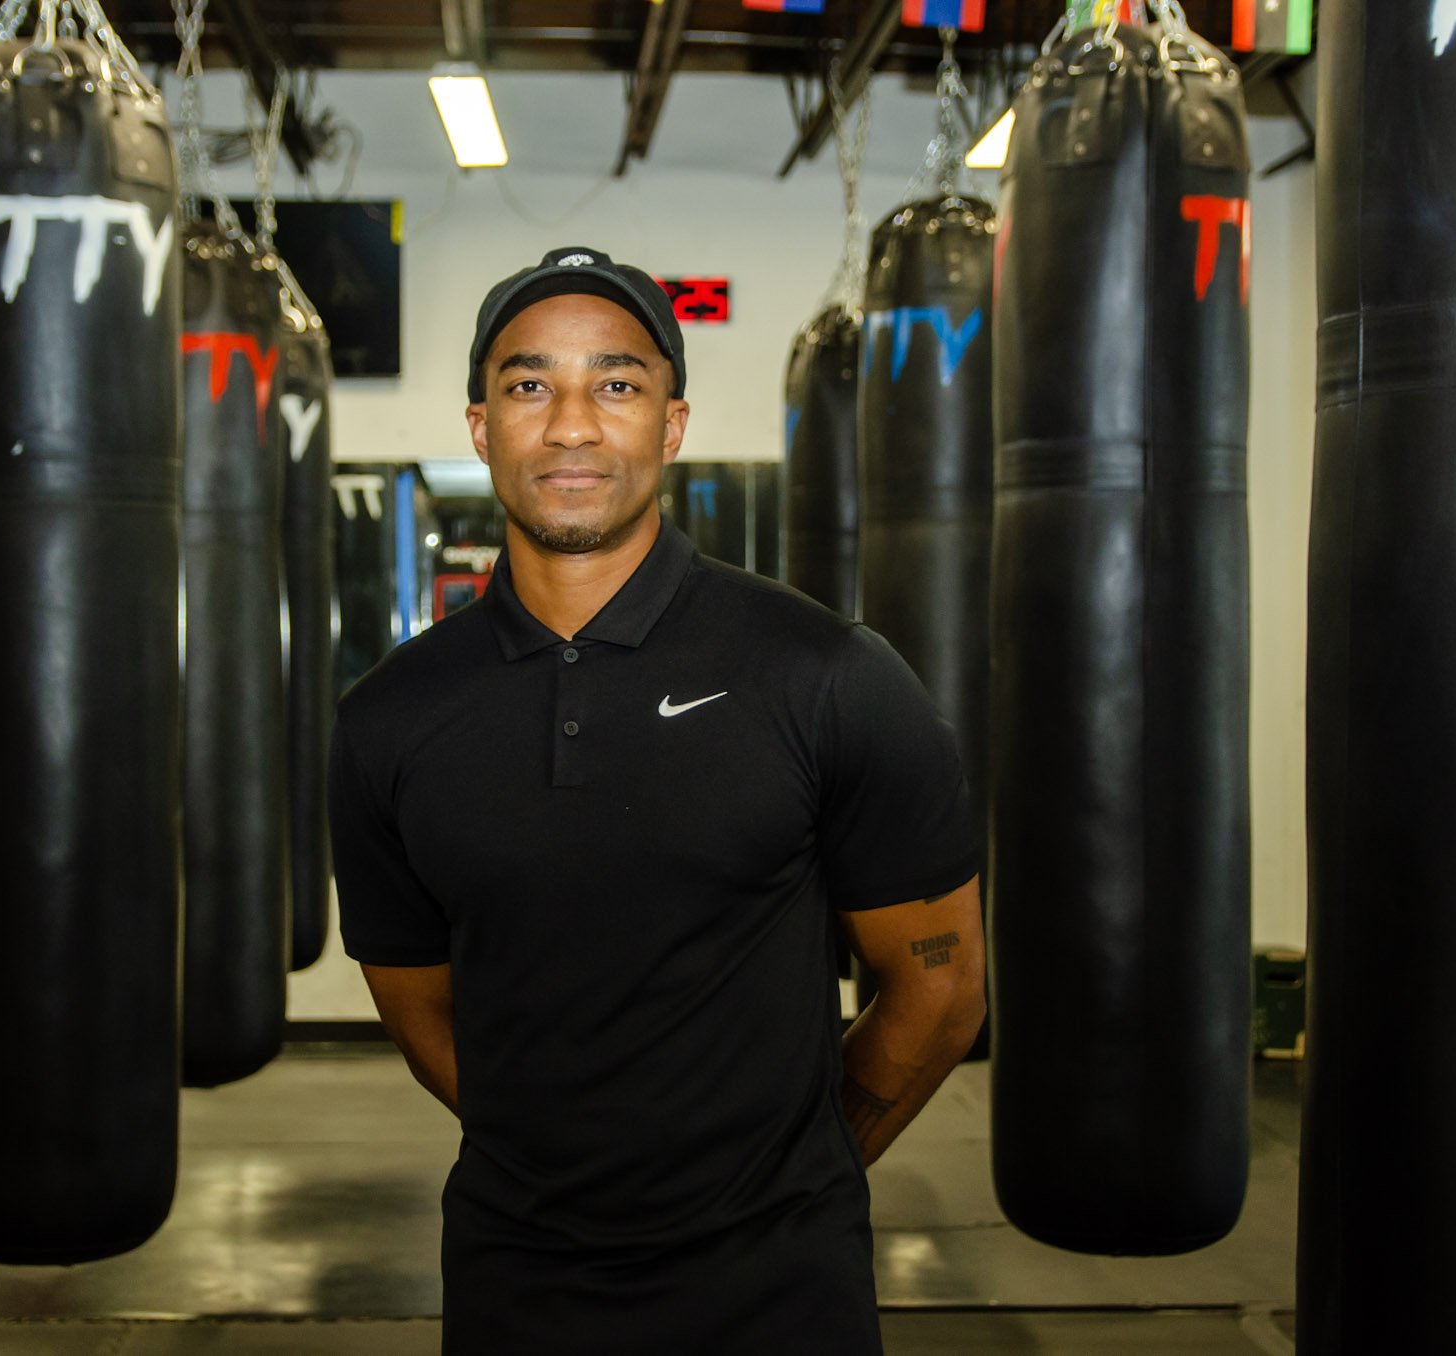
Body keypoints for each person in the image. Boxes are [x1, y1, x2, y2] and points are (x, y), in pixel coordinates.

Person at [327, 245, 987, 1354]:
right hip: (514, 1285)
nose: (573, 425)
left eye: (617, 385)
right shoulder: (389, 717)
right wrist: (562, 1169)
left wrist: (800, 1162)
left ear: (670, 427)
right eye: (529, 385)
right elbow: (418, 1006)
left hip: (779, 1292)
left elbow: (940, 986)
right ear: (481, 428)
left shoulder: (824, 672)